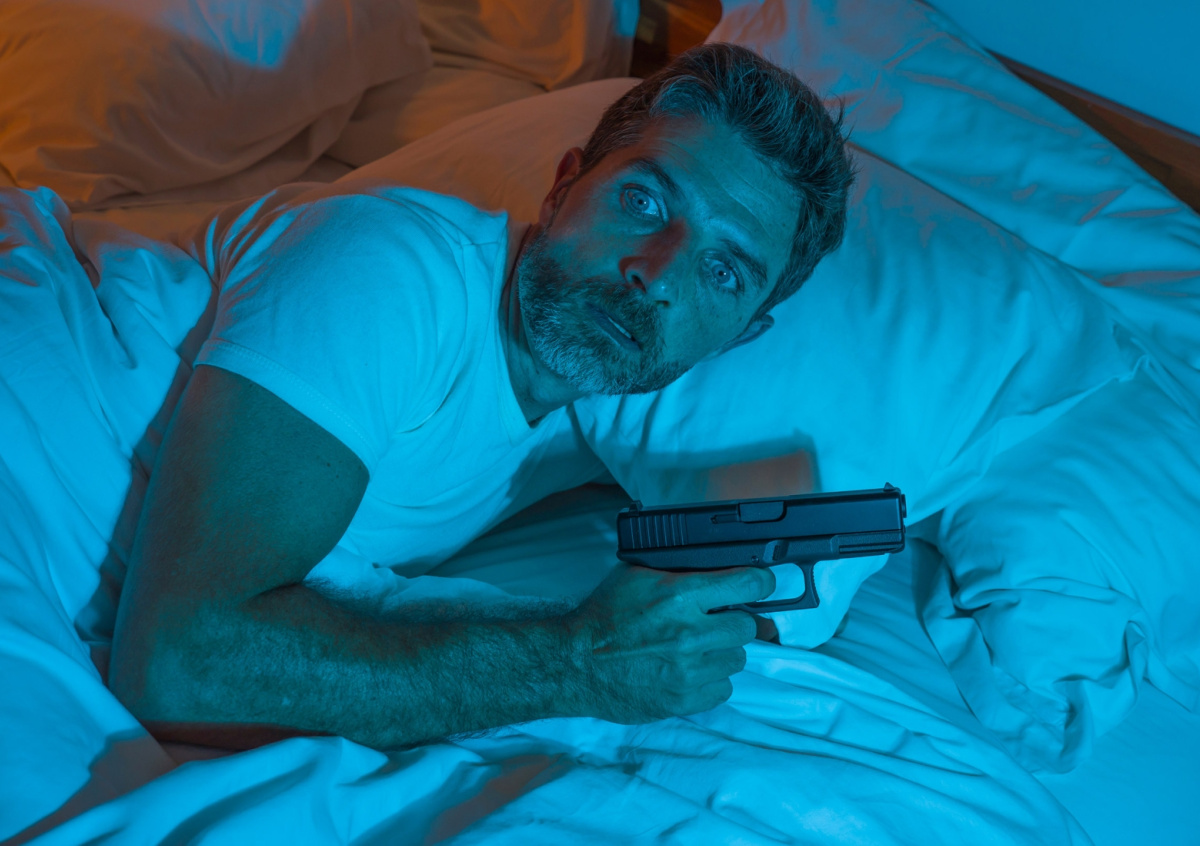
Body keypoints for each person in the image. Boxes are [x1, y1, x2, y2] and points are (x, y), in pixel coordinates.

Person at [108, 42, 856, 752]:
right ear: (562, 189)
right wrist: (577, 662)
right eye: (643, 201)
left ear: (737, 338)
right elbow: (179, 668)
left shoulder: (608, 404)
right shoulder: (386, 270)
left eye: (722, 273)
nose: (656, 275)